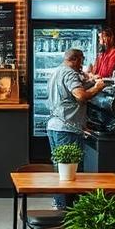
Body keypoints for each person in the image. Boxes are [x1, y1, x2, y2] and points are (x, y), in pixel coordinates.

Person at [46, 48, 106, 208]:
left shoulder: (58, 71)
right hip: (67, 128)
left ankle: (59, 204)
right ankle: (66, 210)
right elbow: (80, 95)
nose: (82, 64)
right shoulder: (70, 73)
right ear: (75, 59)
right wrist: (98, 88)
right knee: (70, 171)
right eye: (82, 60)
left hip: (55, 126)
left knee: (60, 169)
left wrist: (91, 82)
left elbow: (73, 90)